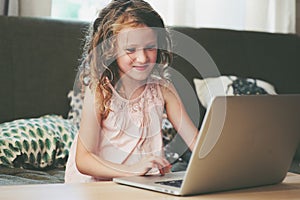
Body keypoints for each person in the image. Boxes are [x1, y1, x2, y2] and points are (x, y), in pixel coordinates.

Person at [65, 0, 198, 183]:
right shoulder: (100, 90)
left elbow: (196, 142)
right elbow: (84, 159)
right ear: (111, 50)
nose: (142, 58)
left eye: (150, 47)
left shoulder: (164, 89)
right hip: (96, 184)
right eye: (130, 50)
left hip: (139, 182)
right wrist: (131, 170)